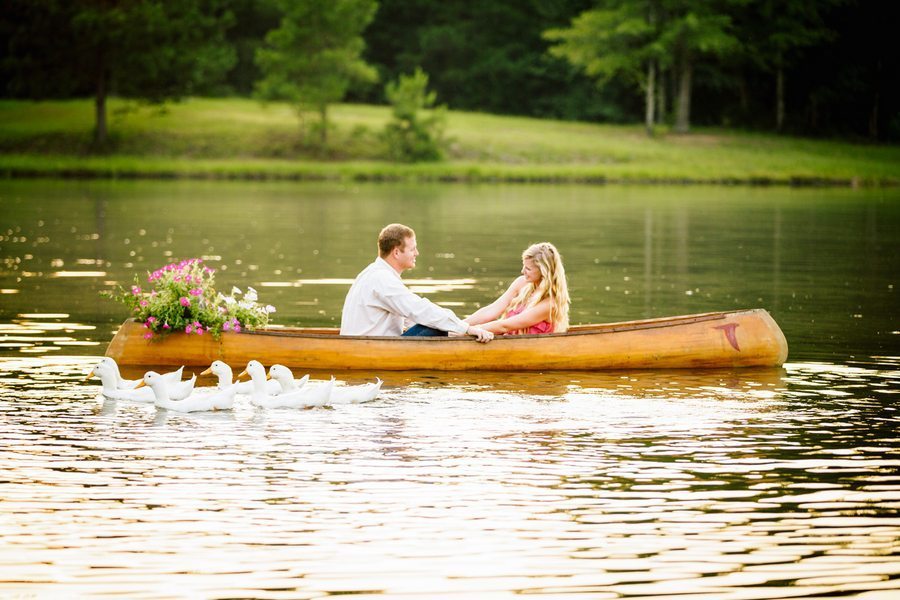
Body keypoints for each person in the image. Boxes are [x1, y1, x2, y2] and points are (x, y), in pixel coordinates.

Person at [340, 224, 494, 342]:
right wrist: (466, 329)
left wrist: (457, 328)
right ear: (396, 252)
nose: (417, 253)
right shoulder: (382, 279)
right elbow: (420, 310)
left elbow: (409, 315)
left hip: (367, 344)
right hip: (371, 349)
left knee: (438, 323)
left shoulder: (373, 273)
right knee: (433, 326)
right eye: (412, 249)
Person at [464, 242, 569, 335]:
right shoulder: (521, 282)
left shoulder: (550, 303)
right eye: (524, 266)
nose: (523, 271)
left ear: (543, 271)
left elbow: (505, 326)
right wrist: (459, 325)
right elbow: (491, 310)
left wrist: (469, 330)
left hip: (528, 351)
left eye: (528, 269)